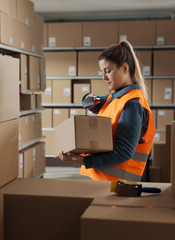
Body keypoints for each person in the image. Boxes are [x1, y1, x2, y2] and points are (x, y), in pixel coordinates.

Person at [58, 40, 156, 182]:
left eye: (108, 71)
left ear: (124, 68)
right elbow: (95, 102)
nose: (103, 78)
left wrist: (84, 161)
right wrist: (88, 99)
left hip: (118, 185)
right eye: (101, 72)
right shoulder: (116, 97)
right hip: (105, 181)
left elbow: (124, 152)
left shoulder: (132, 105)